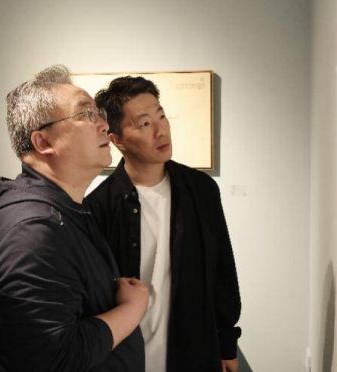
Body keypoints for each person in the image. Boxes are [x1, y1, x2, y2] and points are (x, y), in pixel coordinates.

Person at [0, 65, 149, 371]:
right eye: (86, 114)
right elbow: (55, 359)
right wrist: (133, 308)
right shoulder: (32, 232)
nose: (103, 125)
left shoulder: (64, 210)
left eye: (98, 113)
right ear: (43, 142)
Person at [85, 76, 241, 372]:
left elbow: (222, 270)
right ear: (117, 140)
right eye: (145, 123)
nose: (161, 130)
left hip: (193, 353)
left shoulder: (201, 190)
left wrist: (227, 343)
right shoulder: (99, 207)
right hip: (126, 358)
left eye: (161, 116)